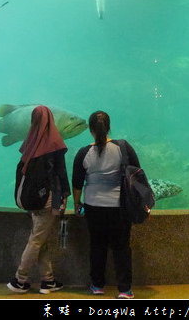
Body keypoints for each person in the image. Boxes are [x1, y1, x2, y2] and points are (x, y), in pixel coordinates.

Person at [72, 110, 140, 299]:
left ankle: (97, 285)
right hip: (119, 205)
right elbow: (137, 173)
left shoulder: (84, 153)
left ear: (90, 130)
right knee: (121, 247)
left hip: (93, 206)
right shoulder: (123, 147)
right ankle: (124, 289)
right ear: (109, 127)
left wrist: (77, 204)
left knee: (97, 245)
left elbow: (77, 182)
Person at [7, 105, 70, 294]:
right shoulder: (54, 144)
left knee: (41, 240)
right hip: (49, 202)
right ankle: (20, 279)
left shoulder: (30, 143)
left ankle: (48, 281)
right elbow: (61, 175)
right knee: (36, 240)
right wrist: (63, 199)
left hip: (33, 200)